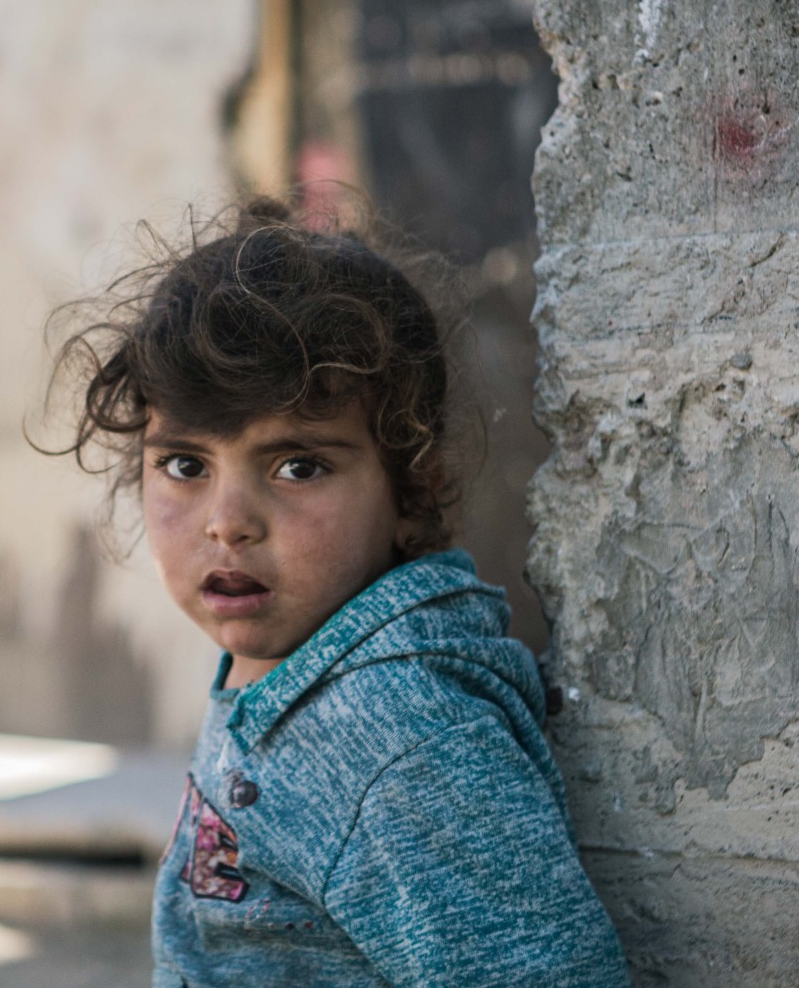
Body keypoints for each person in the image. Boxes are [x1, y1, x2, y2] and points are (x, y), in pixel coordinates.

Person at [47, 199, 630, 986]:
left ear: (413, 491)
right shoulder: (295, 677)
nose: (228, 524)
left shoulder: (400, 737)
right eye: (185, 465)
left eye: (299, 466)